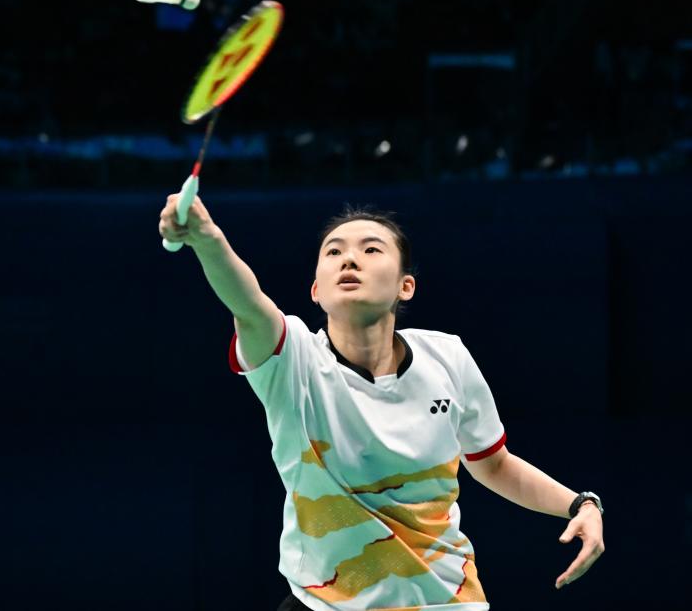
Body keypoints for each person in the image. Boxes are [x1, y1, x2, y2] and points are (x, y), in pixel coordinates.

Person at [158, 197, 605, 611]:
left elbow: (494, 464)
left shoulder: (446, 357)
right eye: (334, 252)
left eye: (371, 250)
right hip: (324, 604)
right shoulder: (293, 362)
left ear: (404, 287)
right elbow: (248, 305)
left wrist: (581, 504)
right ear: (316, 291)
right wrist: (207, 239)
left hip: (444, 600)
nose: (349, 259)